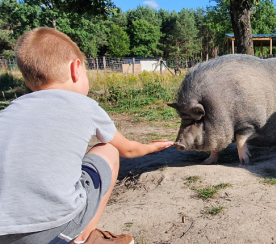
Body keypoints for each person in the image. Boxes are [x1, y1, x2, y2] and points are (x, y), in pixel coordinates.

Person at [0, 27, 174, 244]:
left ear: (27, 82)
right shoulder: (85, 106)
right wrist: (153, 147)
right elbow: (128, 150)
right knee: (108, 149)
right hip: (57, 227)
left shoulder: (8, 111)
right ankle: (82, 237)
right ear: (76, 68)